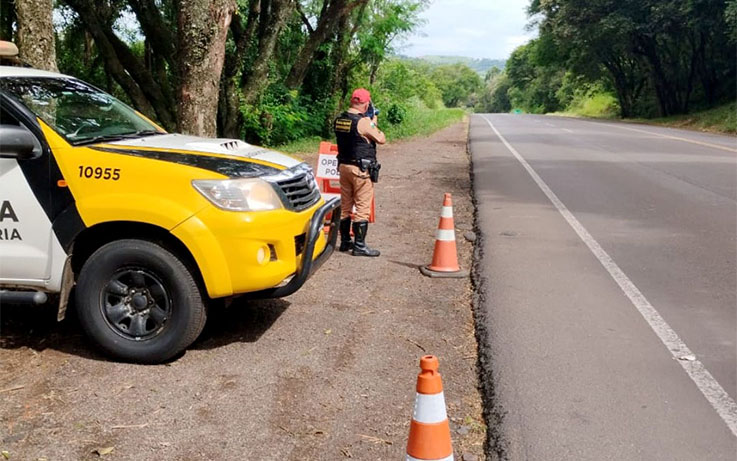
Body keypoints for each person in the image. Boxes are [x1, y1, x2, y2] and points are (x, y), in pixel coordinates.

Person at [333, 88, 386, 257]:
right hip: (360, 170)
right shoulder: (363, 122)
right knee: (362, 208)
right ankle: (359, 246)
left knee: (346, 206)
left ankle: (345, 242)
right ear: (366, 104)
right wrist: (373, 121)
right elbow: (381, 138)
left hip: (344, 167)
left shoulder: (339, 119)